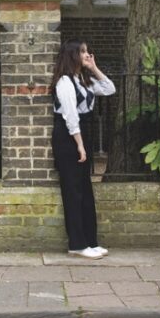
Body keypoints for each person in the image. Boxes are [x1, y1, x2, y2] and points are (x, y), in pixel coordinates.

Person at [51, 39, 116, 259]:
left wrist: (93, 67)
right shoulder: (65, 83)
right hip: (68, 138)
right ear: (72, 56)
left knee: (85, 190)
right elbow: (70, 117)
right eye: (83, 52)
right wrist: (79, 145)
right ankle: (76, 243)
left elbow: (109, 88)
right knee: (73, 191)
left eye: (88, 51)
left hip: (81, 135)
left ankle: (90, 240)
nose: (87, 55)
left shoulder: (82, 80)